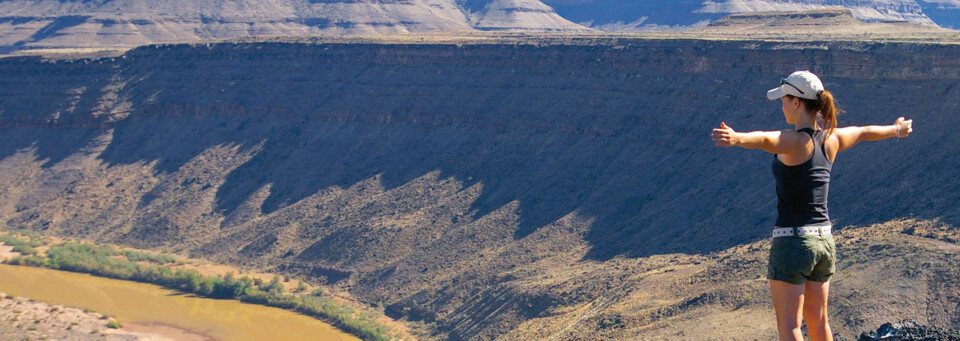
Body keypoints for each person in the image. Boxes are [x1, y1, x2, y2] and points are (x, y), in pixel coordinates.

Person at [710, 70, 913, 341]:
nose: (781, 105)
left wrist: (736, 138)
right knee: (818, 322)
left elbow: (765, 139)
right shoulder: (833, 139)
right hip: (824, 242)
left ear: (797, 103)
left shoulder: (795, 142)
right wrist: (896, 130)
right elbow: (865, 132)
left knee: (790, 326)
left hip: (793, 243)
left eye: (784, 99)